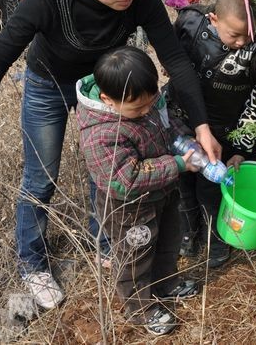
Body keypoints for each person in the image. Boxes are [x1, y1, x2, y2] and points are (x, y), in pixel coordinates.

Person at [0, 0, 221, 311]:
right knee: (40, 176)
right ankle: (33, 263)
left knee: (107, 173)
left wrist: (201, 124)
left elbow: (174, 59)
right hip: (48, 85)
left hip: (103, 91)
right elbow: (5, 47)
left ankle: (107, 244)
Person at [76, 46, 201, 336]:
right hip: (130, 208)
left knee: (168, 241)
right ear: (107, 99)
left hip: (163, 194)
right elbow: (127, 178)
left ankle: (166, 283)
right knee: (136, 257)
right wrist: (179, 164)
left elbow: (165, 126)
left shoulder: (142, 101)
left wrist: (186, 140)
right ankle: (139, 308)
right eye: (137, 109)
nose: (147, 111)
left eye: (151, 102)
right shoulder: (101, 132)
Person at [169, 0, 256, 268]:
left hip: (223, 133)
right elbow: (172, 52)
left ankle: (217, 238)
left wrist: (241, 148)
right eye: (234, 34)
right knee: (183, 183)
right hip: (182, 121)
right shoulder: (190, 24)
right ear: (213, 19)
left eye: (247, 35)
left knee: (210, 189)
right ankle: (189, 232)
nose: (241, 42)